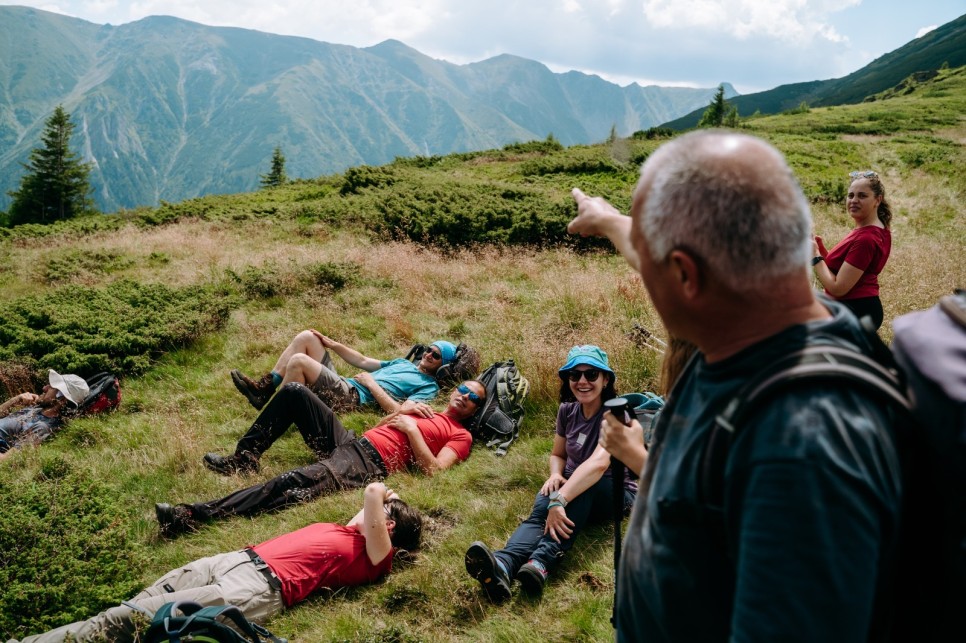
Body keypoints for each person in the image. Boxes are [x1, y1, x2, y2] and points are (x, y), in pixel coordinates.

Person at [569, 130, 901, 641]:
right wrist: (609, 219)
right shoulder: (769, 314)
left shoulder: (799, 448)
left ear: (687, 276)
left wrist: (642, 461)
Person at [17, 482, 421, 643]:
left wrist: (384, 494)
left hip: (254, 588)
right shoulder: (348, 533)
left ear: (386, 527)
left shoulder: (377, 558)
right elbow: (363, 510)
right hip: (231, 560)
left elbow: (370, 495)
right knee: (125, 616)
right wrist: (385, 501)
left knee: (126, 623)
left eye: (382, 516)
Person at [156, 380, 485, 536]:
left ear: (474, 410)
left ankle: (193, 516)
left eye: (473, 398)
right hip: (352, 442)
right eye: (463, 389)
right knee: (295, 391)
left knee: (291, 482)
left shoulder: (461, 434)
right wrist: (401, 413)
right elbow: (378, 430)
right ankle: (245, 458)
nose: (464, 397)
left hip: (367, 464)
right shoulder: (422, 409)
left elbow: (435, 470)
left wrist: (413, 430)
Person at [465, 345, 635, 600]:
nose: (582, 381)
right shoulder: (567, 410)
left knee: (576, 490)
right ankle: (503, 565)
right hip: (573, 484)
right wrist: (556, 475)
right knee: (540, 512)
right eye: (574, 375)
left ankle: (541, 562)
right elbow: (558, 455)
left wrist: (560, 500)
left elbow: (598, 465)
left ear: (605, 379)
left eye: (591, 374)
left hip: (614, 492)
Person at [231, 331, 458, 413]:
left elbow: (399, 411)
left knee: (299, 361)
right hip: (344, 384)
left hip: (352, 398)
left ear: (443, 365)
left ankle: (274, 416)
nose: (428, 354)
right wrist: (333, 344)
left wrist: (371, 384)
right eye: (429, 349)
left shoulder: (430, 387)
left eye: (436, 355)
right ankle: (266, 388)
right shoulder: (403, 363)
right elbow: (362, 360)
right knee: (306, 337)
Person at [811, 170, 892, 331]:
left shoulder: (866, 238)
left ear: (878, 200)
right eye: (851, 195)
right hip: (857, 308)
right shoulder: (874, 230)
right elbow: (843, 270)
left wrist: (814, 258)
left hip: (855, 310)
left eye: (862, 196)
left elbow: (838, 288)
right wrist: (819, 250)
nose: (854, 201)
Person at [0, 369, 89, 463]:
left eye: (51, 387)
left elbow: (5, 460)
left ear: (61, 399)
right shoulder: (37, 408)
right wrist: (15, 400)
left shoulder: (42, 427)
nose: (44, 388)